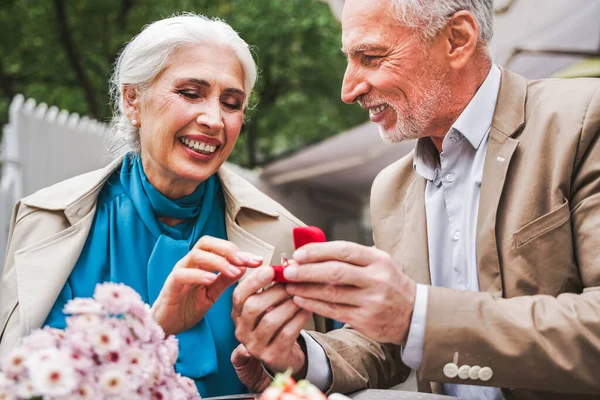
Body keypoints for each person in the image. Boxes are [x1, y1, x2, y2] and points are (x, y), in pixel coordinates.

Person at [231, 0, 600, 399]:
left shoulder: (582, 121)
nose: (348, 90)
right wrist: (301, 357)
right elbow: (388, 343)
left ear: (457, 39)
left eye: (370, 57)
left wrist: (415, 313)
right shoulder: (391, 186)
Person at [0, 13, 323, 398]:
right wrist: (157, 328)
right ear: (132, 100)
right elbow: (17, 385)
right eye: (190, 93)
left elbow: (323, 375)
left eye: (232, 102)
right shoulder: (46, 221)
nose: (213, 119)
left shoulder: (284, 234)